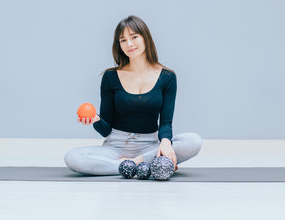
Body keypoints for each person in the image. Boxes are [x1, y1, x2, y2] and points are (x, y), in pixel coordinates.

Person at [64, 15, 203, 175]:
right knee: (73, 157)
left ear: (145, 38)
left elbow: (166, 122)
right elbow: (106, 130)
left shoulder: (167, 77)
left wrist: (165, 142)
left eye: (134, 37)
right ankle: (136, 166)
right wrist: (96, 119)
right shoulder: (110, 76)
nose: (129, 44)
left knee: (193, 141)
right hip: (115, 148)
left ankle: (134, 164)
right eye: (122, 40)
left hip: (149, 146)